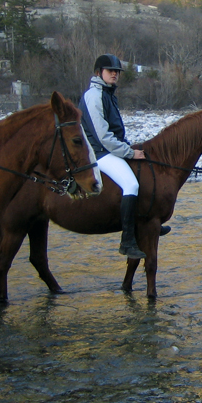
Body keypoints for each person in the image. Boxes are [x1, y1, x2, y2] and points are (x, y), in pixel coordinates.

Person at [79, 54, 153, 259]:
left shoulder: (107, 93)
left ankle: (145, 223)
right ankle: (127, 241)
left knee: (142, 174)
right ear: (98, 73)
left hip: (109, 149)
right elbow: (102, 136)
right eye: (110, 70)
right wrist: (129, 152)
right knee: (132, 185)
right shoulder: (94, 96)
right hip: (98, 153)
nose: (114, 74)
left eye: (117, 71)